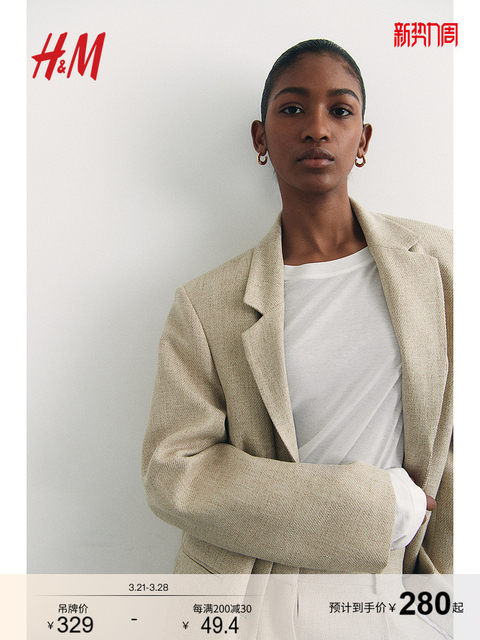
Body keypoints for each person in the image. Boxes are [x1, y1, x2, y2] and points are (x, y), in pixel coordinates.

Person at [142, 39, 452, 581]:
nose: (317, 128)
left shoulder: (441, 265)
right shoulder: (206, 305)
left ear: (363, 138)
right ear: (260, 138)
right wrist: (371, 508)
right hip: (254, 592)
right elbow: (173, 472)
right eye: (292, 108)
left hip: (396, 588)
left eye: (340, 110)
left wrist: (446, 585)